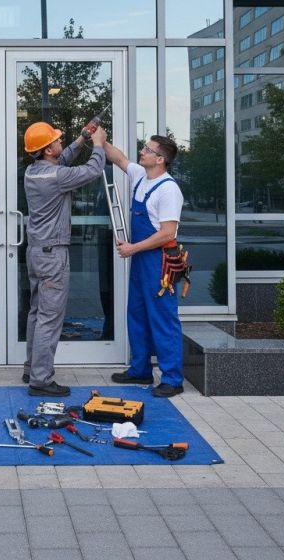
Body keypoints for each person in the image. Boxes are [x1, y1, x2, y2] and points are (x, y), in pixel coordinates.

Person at [22, 120, 107, 397]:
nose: (61, 142)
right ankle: (41, 380)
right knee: (50, 317)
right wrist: (97, 144)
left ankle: (31, 368)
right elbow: (93, 170)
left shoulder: (33, 172)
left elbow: (64, 158)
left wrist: (82, 137)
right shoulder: (58, 178)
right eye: (56, 140)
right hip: (53, 254)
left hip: (36, 252)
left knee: (37, 313)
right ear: (47, 150)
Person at [104, 135, 185, 397]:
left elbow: (167, 233)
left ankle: (172, 378)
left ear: (160, 159)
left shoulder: (168, 189)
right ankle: (140, 369)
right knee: (137, 314)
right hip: (142, 260)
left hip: (160, 262)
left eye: (148, 150)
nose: (142, 151)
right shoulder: (141, 176)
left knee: (163, 319)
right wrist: (97, 138)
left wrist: (133, 248)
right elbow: (118, 158)